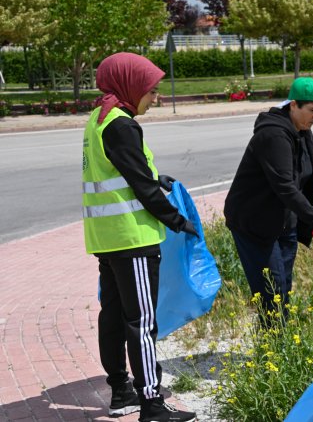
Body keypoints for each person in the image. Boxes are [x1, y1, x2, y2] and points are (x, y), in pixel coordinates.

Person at [82, 52, 198, 421]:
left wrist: (155, 176)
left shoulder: (100, 119)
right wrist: (178, 220)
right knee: (141, 322)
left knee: (114, 316)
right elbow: (141, 190)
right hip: (133, 240)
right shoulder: (123, 125)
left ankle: (120, 392)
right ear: (130, 85)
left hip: (107, 238)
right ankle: (152, 402)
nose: (155, 97)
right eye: (151, 90)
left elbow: (128, 171)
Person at [224, 77, 313, 326]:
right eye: (312, 110)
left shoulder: (303, 132)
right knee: (270, 291)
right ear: (294, 105)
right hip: (254, 222)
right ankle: (272, 353)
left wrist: (310, 222)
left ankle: (279, 344)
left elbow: (304, 182)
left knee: (283, 286)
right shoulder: (274, 135)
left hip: (284, 221)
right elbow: (285, 186)